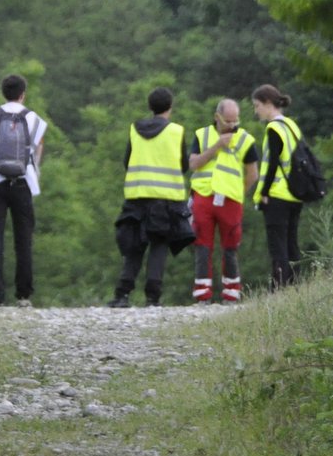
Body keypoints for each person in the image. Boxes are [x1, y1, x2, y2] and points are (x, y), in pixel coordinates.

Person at [109, 87, 195, 308]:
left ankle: (122, 294)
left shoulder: (134, 129)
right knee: (159, 245)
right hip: (165, 199)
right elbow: (184, 165)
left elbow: (127, 162)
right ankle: (152, 297)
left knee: (134, 246)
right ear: (170, 107)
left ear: (150, 107)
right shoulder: (176, 131)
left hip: (137, 196)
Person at [0, 73, 47, 308]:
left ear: (3, 92)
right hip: (23, 182)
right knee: (23, 239)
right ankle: (24, 295)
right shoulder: (34, 119)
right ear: (23, 94)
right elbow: (37, 154)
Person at [188, 98, 259, 303]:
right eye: (228, 121)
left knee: (230, 245)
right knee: (202, 244)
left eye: (235, 121)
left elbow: (253, 174)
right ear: (217, 117)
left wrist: (239, 191)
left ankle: (232, 293)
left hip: (231, 201)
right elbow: (193, 164)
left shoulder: (246, 140)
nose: (232, 126)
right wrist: (217, 146)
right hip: (204, 196)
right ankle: (202, 294)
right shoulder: (202, 135)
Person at [251, 83, 305, 288]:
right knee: (292, 244)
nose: (256, 111)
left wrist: (264, 192)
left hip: (277, 195)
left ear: (267, 103)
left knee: (278, 247)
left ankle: (279, 289)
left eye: (257, 106)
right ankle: (296, 286)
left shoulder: (273, 128)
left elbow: (273, 162)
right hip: (295, 194)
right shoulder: (292, 125)